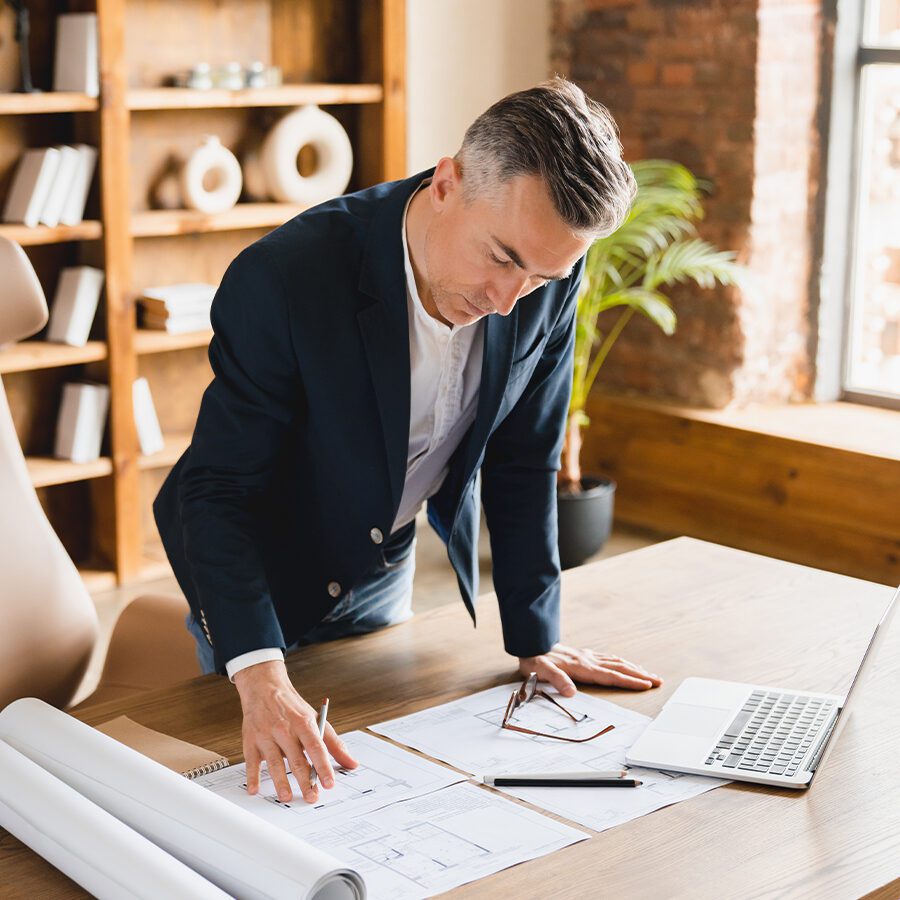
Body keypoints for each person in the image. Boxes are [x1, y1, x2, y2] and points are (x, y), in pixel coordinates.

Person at [154, 76, 661, 808]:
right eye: (501, 258)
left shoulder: (547, 275)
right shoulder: (284, 281)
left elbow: (525, 457)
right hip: (263, 567)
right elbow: (217, 489)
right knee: (261, 788)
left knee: (377, 781)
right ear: (449, 182)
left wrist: (534, 636)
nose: (508, 300)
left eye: (542, 275)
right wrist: (260, 675)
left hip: (384, 555)